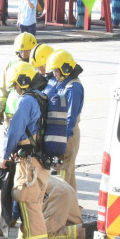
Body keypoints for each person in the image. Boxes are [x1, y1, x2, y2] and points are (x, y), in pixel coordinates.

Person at [0, 62, 50, 239]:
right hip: (38, 159)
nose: (16, 90)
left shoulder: (27, 101)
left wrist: (5, 155)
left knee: (29, 201)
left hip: (29, 161)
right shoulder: (41, 97)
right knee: (29, 200)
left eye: (16, 86)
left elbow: (15, 130)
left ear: (23, 81)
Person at [44, 50, 84, 191]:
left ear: (65, 69)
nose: (54, 74)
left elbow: (70, 118)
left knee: (60, 178)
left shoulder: (73, 88)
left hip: (66, 135)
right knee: (69, 175)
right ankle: (72, 211)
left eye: (56, 70)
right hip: (58, 131)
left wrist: (60, 142)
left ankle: (57, 209)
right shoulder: (60, 82)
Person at [0, 32, 37, 126]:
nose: (24, 53)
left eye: (27, 50)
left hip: (31, 113)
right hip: (11, 111)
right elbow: (3, 90)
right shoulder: (10, 65)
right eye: (22, 50)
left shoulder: (37, 65)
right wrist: (0, 108)